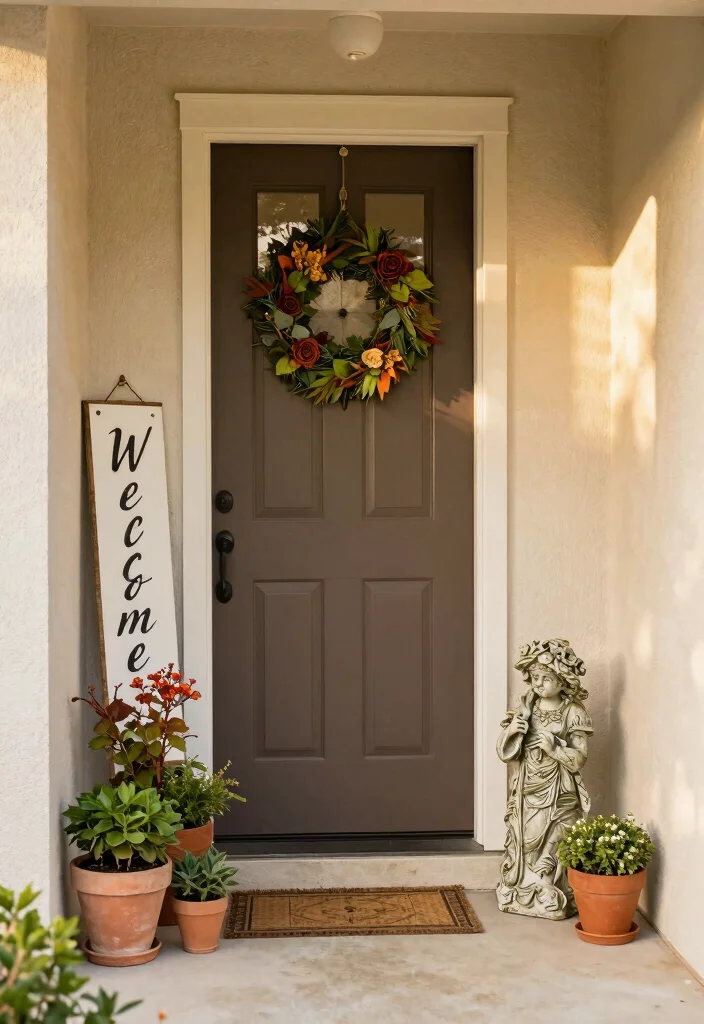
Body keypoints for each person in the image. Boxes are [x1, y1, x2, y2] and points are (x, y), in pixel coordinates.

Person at [496, 639, 592, 920]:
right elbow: (506, 752)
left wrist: (555, 748)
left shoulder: (573, 712)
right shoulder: (526, 708)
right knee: (525, 838)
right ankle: (522, 887)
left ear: (563, 681)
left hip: (560, 788)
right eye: (535, 677)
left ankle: (547, 885)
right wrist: (514, 730)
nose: (538, 683)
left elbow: (580, 758)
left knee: (558, 831)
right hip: (527, 787)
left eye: (546, 678)